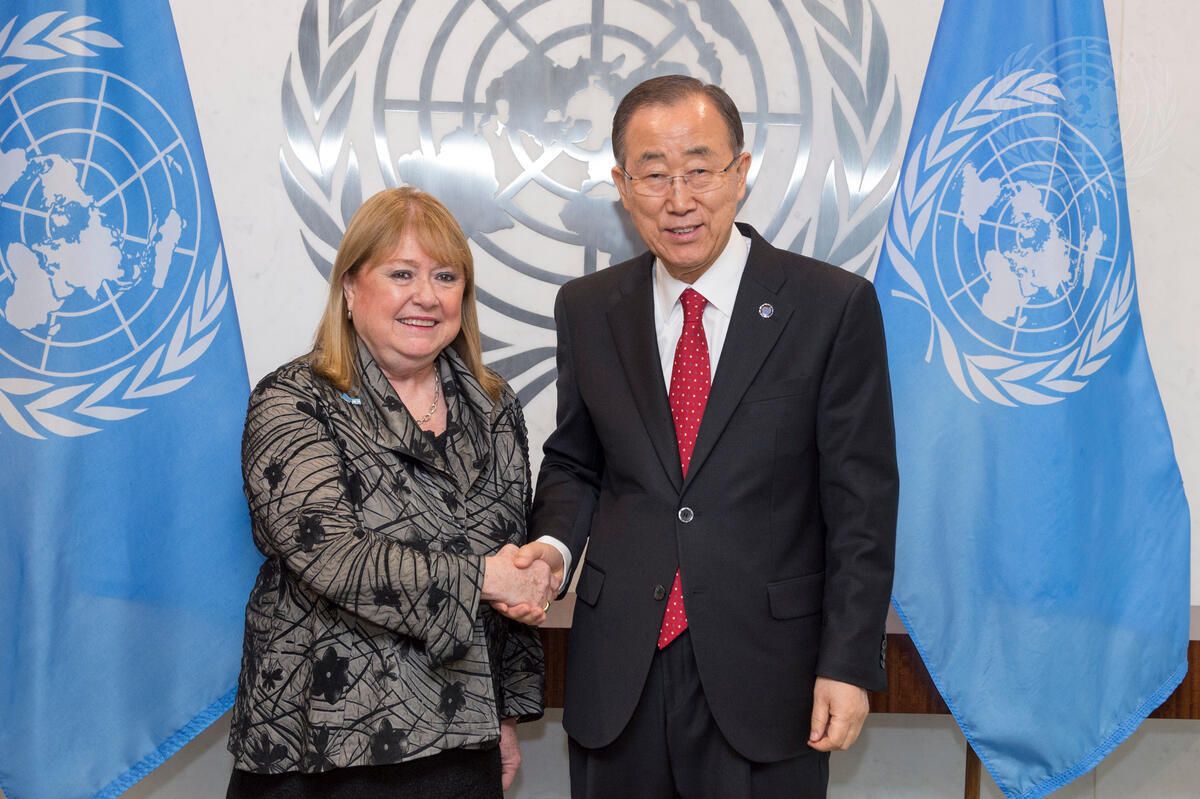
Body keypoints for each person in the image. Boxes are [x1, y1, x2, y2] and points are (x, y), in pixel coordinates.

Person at [514, 75, 899, 798]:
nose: (679, 199)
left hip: (770, 673)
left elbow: (863, 506)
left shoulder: (831, 305)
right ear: (622, 186)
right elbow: (575, 460)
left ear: (741, 173)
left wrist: (848, 662)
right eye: (654, 174)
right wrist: (554, 546)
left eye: (699, 169)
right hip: (619, 671)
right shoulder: (590, 308)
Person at [226, 187, 553, 798]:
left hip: (462, 741)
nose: (426, 296)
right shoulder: (294, 400)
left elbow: (509, 561)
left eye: (445, 275)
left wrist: (504, 715)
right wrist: (482, 578)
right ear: (350, 288)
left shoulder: (492, 404)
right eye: (401, 273)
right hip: (323, 745)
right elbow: (334, 556)